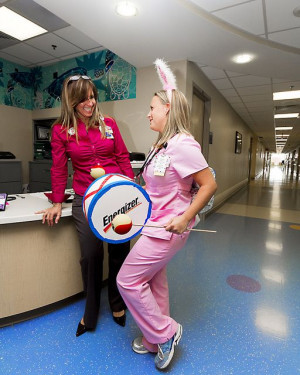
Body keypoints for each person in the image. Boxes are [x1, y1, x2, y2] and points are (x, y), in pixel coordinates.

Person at [117, 59, 217, 370]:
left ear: (168, 110)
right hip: (153, 225)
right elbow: (153, 185)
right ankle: (151, 339)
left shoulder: (183, 144)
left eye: (152, 108)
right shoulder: (161, 145)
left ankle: (166, 332)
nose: (148, 113)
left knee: (128, 280)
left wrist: (186, 217)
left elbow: (209, 184)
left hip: (169, 229)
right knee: (153, 280)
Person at [36, 75, 134, 337]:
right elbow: (58, 168)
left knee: (119, 251)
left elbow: (123, 157)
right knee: (90, 256)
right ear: (71, 102)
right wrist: (57, 201)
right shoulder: (60, 131)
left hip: (115, 196)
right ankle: (90, 313)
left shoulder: (109, 124)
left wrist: (131, 190)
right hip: (86, 198)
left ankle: (117, 303)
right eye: (83, 99)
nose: (90, 103)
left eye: (92, 96)